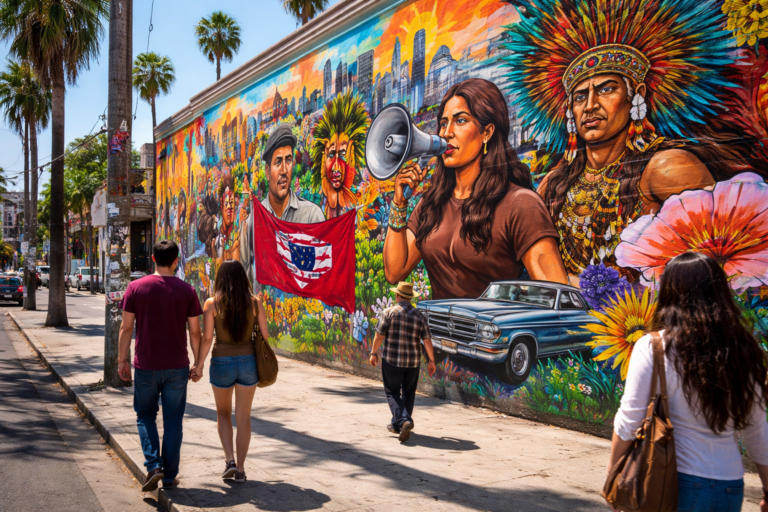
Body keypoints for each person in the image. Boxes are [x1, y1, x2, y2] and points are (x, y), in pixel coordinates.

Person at [504, 0, 766, 283]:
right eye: (579, 97)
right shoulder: (554, 184)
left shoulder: (667, 167)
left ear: (636, 94)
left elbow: (720, 270)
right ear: (570, 110)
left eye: (606, 89)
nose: (590, 105)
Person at [608, 252, 768, 512]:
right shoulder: (741, 348)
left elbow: (629, 420)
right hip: (731, 485)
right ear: (718, 292)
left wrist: (614, 477)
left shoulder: (654, 346)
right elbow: (757, 429)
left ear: (669, 292)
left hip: (675, 482)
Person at [382, 78, 568, 300]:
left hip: (493, 334)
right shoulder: (430, 205)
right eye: (443, 123)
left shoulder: (520, 204)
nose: (446, 133)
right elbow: (395, 272)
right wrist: (399, 204)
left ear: (487, 132)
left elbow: (557, 296)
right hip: (436, 334)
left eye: (460, 120)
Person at [118, 240, 203, 492]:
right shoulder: (187, 291)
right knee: (173, 421)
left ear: (152, 259)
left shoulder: (135, 288)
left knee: (145, 415)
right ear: (176, 261)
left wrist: (121, 359)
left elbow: (125, 328)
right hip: (177, 366)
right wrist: (198, 363)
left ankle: (154, 465)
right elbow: (195, 333)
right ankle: (169, 476)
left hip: (145, 364)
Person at [192, 259, 269, 484]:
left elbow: (207, 339)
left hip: (221, 362)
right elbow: (264, 336)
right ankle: (241, 471)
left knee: (223, 414)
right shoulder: (255, 304)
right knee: (243, 417)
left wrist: (198, 365)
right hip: (248, 363)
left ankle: (230, 461)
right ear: (242, 277)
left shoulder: (211, 304)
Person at [239, 123, 325, 283]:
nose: (284, 170)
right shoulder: (254, 221)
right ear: (267, 171)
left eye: (289, 160)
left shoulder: (312, 216)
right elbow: (246, 275)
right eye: (278, 162)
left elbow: (323, 276)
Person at [369, 281, 436, 442]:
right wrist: (431, 361)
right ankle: (398, 425)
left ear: (397, 295)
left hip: (392, 360)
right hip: (413, 363)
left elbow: (379, 336)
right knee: (408, 393)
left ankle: (405, 421)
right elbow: (427, 341)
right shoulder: (420, 316)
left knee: (392, 392)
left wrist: (373, 353)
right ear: (411, 298)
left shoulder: (389, 312)